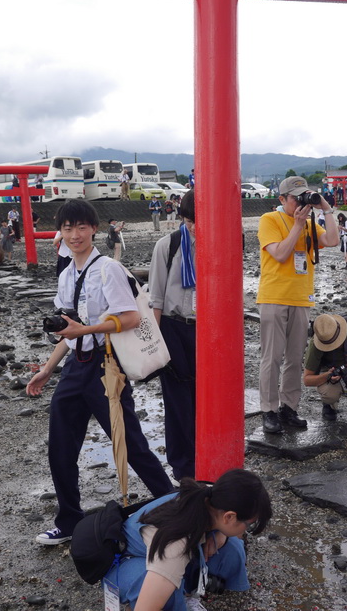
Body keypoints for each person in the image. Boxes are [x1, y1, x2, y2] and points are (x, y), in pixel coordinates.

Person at [26, 199, 172, 546]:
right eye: (68, 228)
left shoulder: (107, 269)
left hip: (107, 367)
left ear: (93, 229)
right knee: (60, 447)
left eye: (81, 227)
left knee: (130, 444)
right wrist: (48, 368)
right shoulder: (66, 275)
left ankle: (172, 506)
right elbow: (68, 329)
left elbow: (130, 318)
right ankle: (69, 520)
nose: (75, 235)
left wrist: (85, 331)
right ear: (60, 232)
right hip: (75, 368)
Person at [103, 468, 272, 611]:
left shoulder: (212, 494)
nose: (246, 530)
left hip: (168, 551)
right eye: (248, 525)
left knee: (233, 548)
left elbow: (229, 528)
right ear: (229, 516)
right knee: (165, 591)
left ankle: (187, 589)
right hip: (124, 562)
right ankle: (176, 594)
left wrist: (222, 534)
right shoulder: (175, 541)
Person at [256, 176, 339, 434]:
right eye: (296, 198)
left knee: (294, 358)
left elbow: (333, 241)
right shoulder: (269, 220)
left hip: (301, 299)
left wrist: (326, 208)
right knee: (272, 358)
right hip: (273, 297)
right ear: (282, 199)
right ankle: (268, 410)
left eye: (305, 196)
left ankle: (288, 408)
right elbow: (280, 254)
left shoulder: (310, 223)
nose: (301, 202)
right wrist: (297, 224)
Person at [149, 190, 196, 480]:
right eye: (190, 220)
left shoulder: (220, 242)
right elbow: (155, 300)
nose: (194, 227)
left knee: (206, 396)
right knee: (178, 399)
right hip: (174, 325)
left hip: (209, 328)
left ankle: (207, 455)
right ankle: (183, 466)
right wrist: (154, 345)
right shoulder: (168, 245)